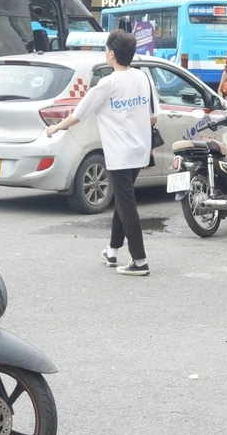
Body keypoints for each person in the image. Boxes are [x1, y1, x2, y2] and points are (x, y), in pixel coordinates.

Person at [44, 29, 157, 275]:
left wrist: (55, 128)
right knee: (122, 200)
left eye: (106, 50)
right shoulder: (142, 78)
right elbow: (153, 114)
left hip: (119, 154)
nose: (106, 54)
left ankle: (139, 261)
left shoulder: (107, 84)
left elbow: (77, 115)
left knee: (127, 205)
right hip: (139, 151)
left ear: (112, 54)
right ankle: (112, 251)